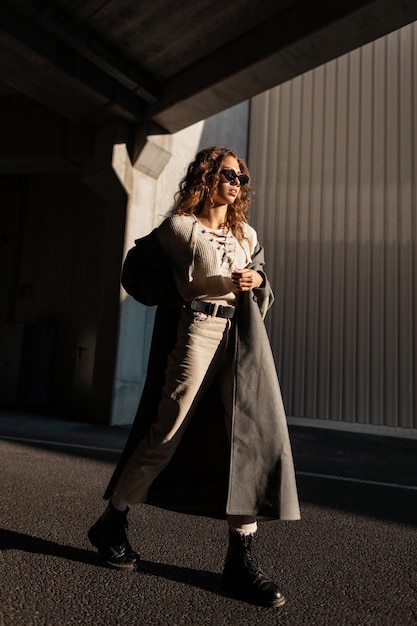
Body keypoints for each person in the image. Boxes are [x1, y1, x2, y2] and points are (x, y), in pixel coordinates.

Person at [88, 146, 300, 608]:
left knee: (247, 437)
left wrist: (257, 283)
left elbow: (262, 279)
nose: (237, 184)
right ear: (206, 176)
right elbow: (136, 271)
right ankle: (113, 520)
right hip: (198, 332)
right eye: (229, 175)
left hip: (242, 335)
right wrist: (178, 295)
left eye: (242, 178)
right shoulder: (179, 228)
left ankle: (240, 559)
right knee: (169, 427)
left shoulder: (246, 232)